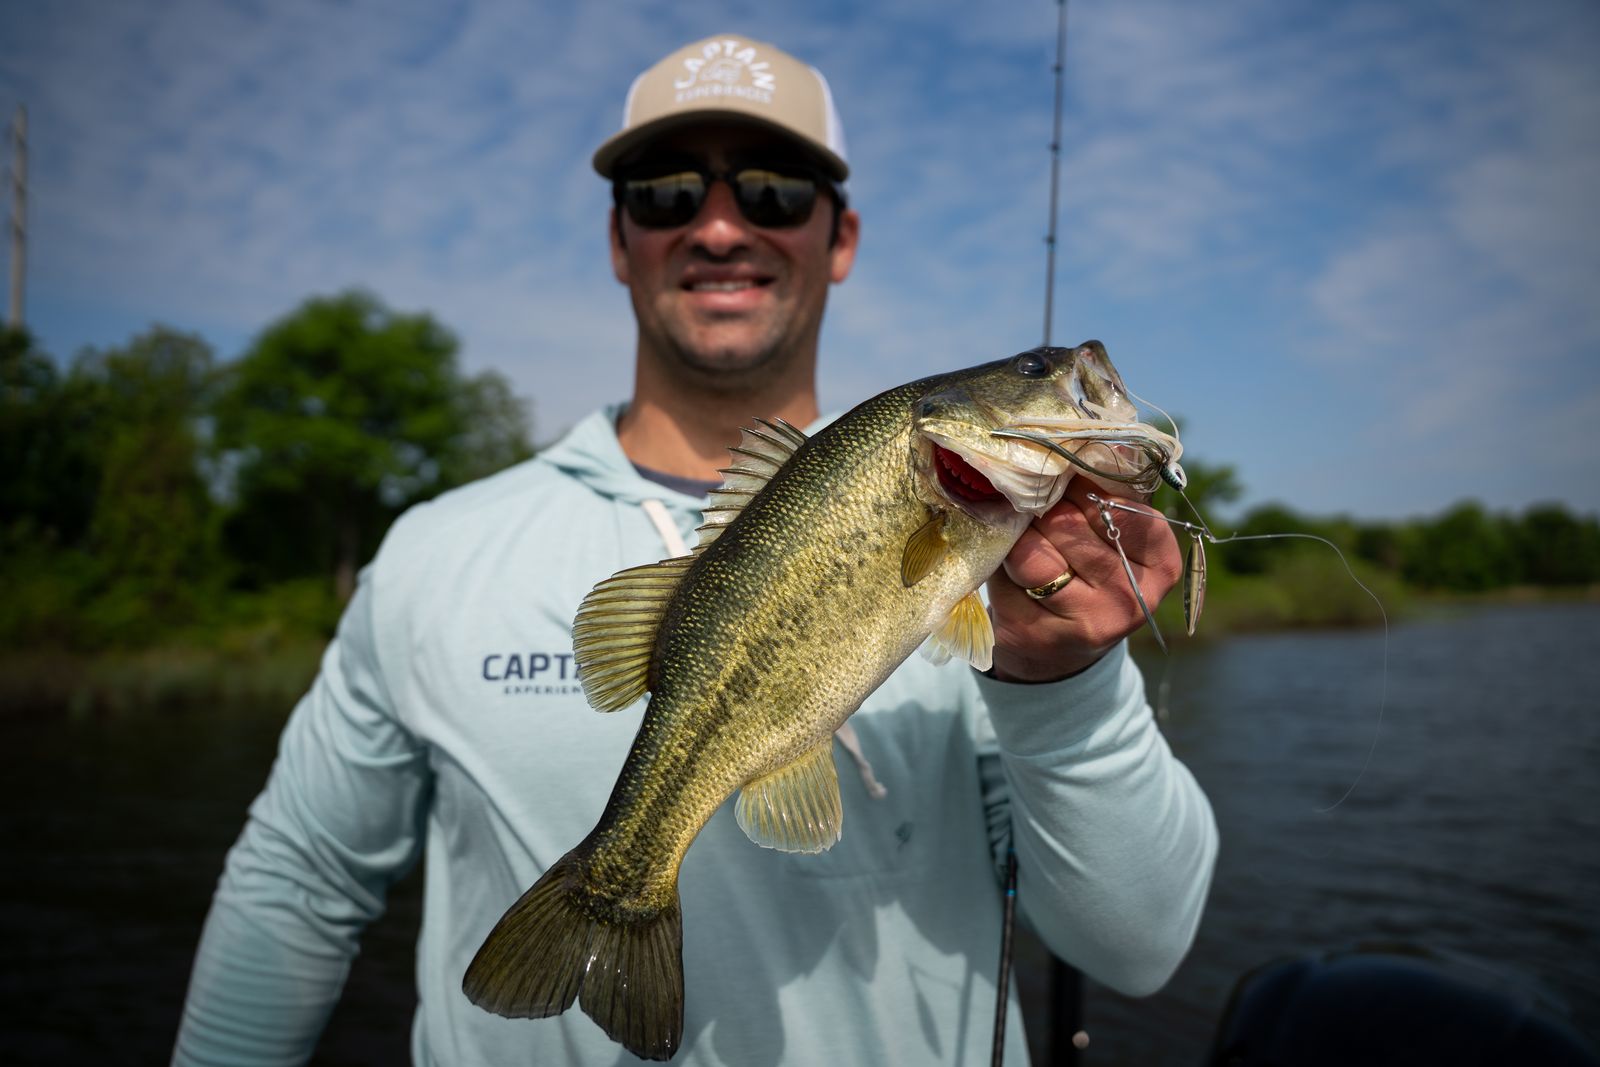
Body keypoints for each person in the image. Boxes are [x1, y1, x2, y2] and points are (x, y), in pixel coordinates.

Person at [173, 33, 1217, 1066]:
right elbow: (297, 886)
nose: (719, 226)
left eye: (772, 190)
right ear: (619, 239)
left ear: (838, 235)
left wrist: (1063, 679)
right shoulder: (433, 555)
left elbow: (1135, 947)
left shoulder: (1007, 575)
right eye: (666, 192)